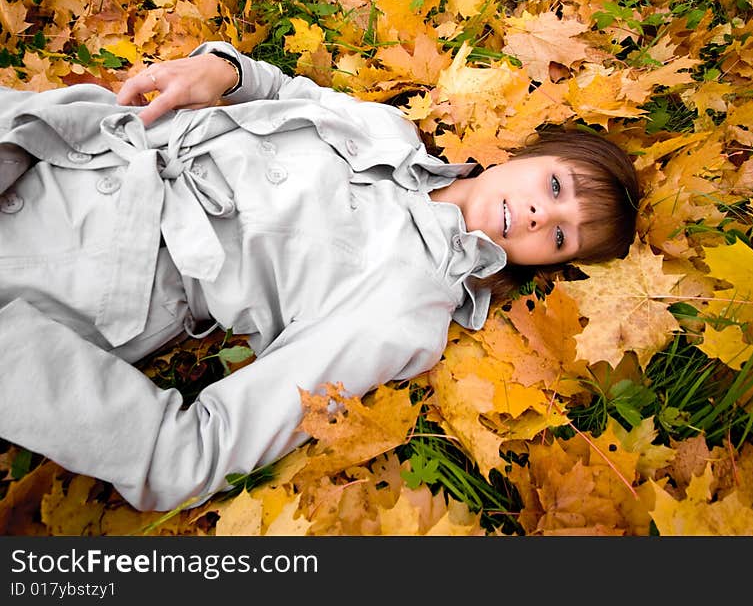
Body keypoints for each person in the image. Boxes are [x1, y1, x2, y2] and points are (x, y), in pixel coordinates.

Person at [0, 41, 639, 512]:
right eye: (554, 186)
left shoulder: (408, 305)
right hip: (66, 134)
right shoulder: (391, 131)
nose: (537, 214)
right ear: (530, 155)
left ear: (543, 265)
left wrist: (17, 359)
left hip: (78, 260)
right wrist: (223, 70)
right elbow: (280, 90)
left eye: (560, 235)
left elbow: (192, 455)